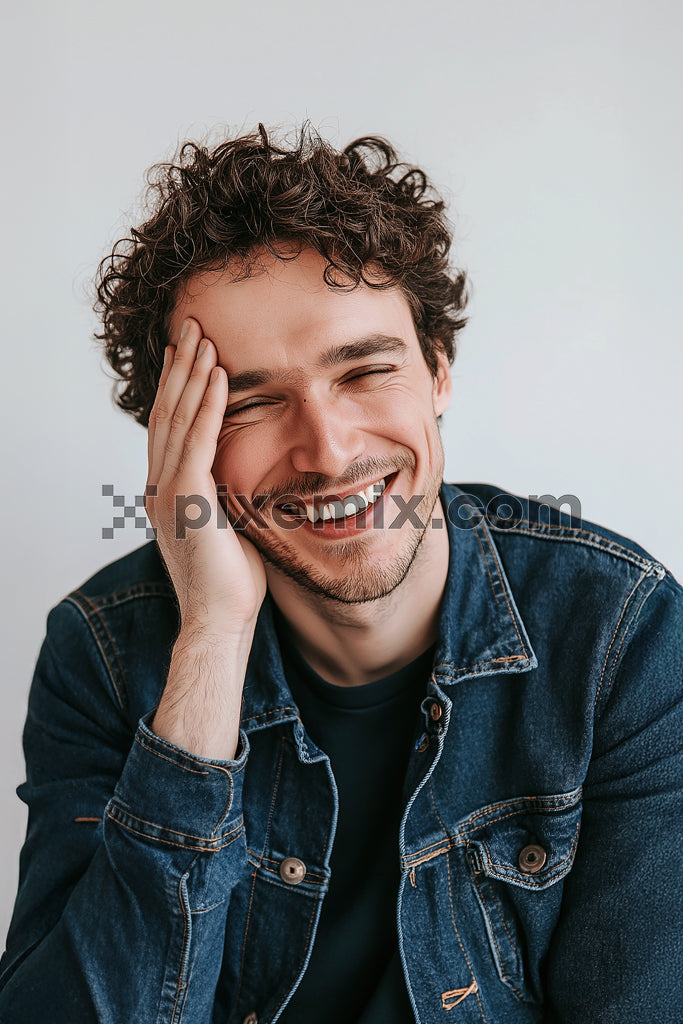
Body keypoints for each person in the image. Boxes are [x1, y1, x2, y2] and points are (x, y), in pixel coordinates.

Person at [0, 125, 681, 1024]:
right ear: (180, 445)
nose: (326, 452)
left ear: (437, 370)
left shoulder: (619, 635)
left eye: (364, 371)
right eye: (251, 402)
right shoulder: (103, 651)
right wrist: (210, 638)